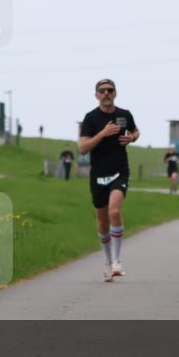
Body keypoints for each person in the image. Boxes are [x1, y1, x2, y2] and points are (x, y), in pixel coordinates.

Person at [78, 78, 139, 282]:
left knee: (114, 211)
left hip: (119, 171)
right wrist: (103, 134)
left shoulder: (124, 114)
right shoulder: (90, 118)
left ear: (115, 93)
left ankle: (117, 261)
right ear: (96, 95)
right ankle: (107, 260)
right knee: (102, 221)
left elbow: (135, 131)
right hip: (98, 174)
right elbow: (83, 147)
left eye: (110, 90)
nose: (106, 93)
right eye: (102, 91)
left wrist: (132, 137)